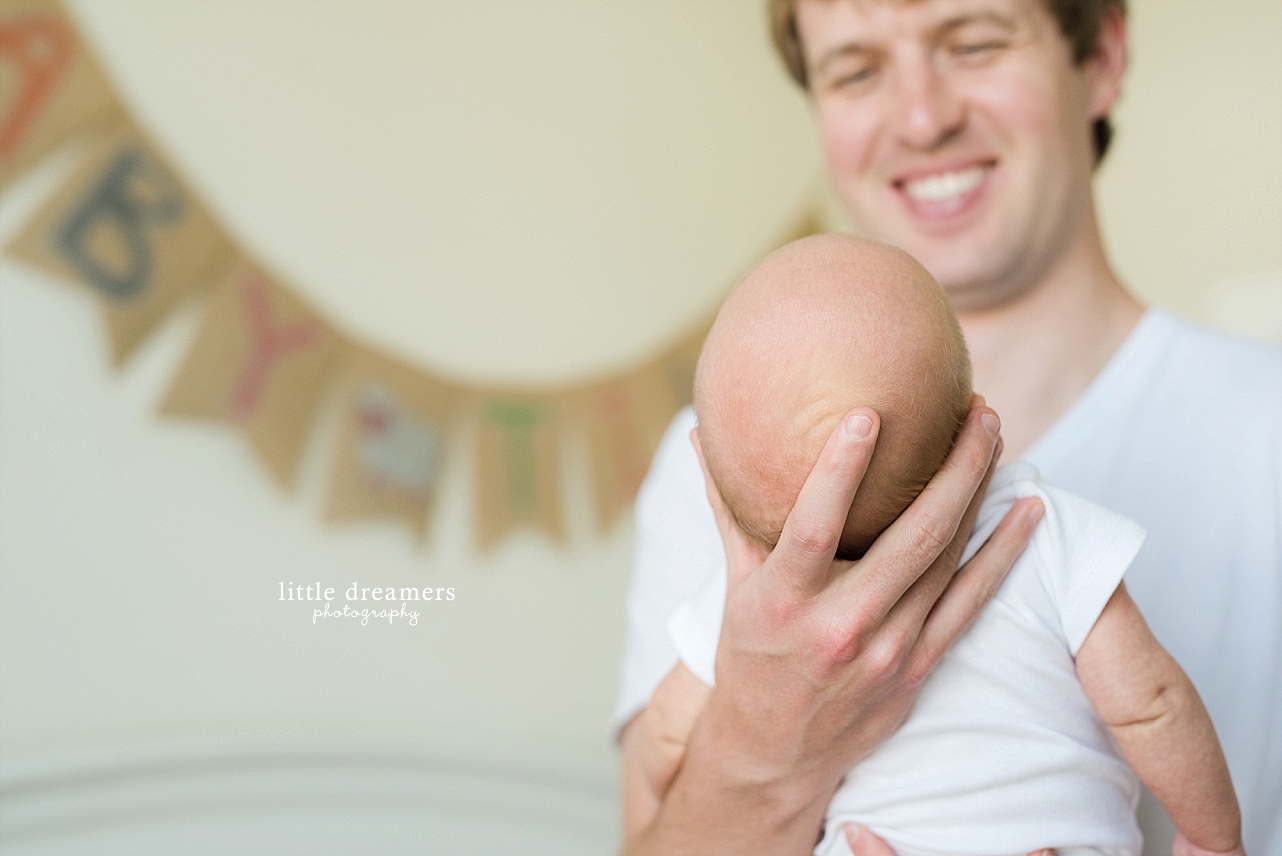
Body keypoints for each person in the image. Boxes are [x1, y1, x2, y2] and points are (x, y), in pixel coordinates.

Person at [613, 1, 1282, 853]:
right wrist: (755, 745)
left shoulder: (1270, 430)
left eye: (973, 43)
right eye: (857, 69)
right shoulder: (711, 467)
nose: (923, 119)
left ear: (1102, 55)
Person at [623, 233, 1243, 856]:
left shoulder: (744, 615)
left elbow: (667, 740)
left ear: (718, 487)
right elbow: (1152, 705)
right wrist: (1213, 840)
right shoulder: (1043, 528)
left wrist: (674, 775)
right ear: (971, 419)